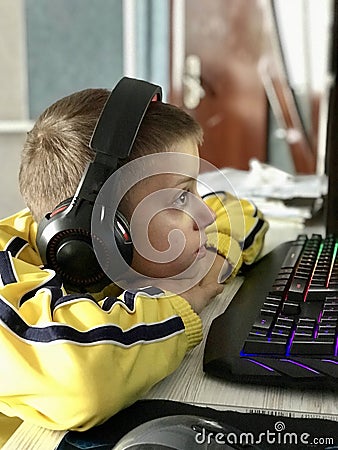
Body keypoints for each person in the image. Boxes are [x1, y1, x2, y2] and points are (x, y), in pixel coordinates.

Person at [0, 81, 269, 445]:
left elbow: (242, 213)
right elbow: (83, 380)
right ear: (109, 228)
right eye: (180, 197)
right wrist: (181, 302)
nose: (204, 215)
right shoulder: (8, 270)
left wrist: (213, 258)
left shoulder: (88, 246)